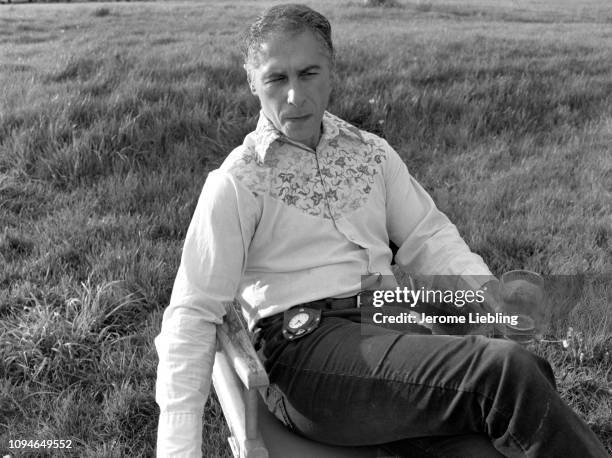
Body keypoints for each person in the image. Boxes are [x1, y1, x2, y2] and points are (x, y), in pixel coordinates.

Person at [154, 4, 608, 457]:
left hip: (390, 325)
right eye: (277, 78)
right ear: (253, 81)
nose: (294, 95)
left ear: (331, 71)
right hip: (305, 354)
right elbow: (192, 314)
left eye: (309, 73)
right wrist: (178, 449)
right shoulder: (238, 182)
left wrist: (490, 296)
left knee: (502, 416)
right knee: (508, 373)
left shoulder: (371, 154)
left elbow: (428, 237)